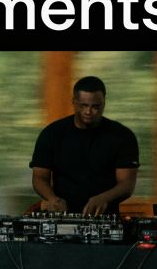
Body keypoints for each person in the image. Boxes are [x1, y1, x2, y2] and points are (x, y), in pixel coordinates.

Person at [30, 76, 139, 215]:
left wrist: (104, 198)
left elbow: (127, 184)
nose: (89, 112)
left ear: (104, 103)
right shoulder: (52, 133)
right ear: (74, 102)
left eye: (95, 106)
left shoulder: (122, 136)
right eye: (83, 105)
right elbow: (39, 177)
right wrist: (52, 199)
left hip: (103, 216)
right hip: (62, 215)